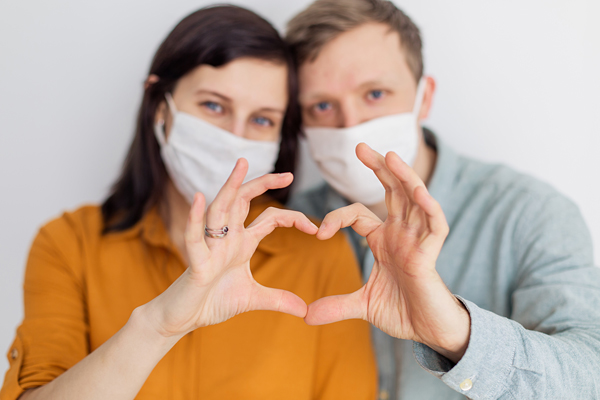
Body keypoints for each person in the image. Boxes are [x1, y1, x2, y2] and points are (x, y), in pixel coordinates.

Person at [0, 5, 377, 400]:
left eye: (262, 120)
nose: (235, 137)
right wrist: (158, 325)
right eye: (214, 106)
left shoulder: (320, 255)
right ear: (160, 106)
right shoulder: (69, 245)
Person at [286, 0, 600, 399]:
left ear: (425, 97)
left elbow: (592, 377)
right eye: (322, 106)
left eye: (376, 93)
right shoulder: (285, 227)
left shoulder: (529, 213)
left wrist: (457, 334)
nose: (352, 126)